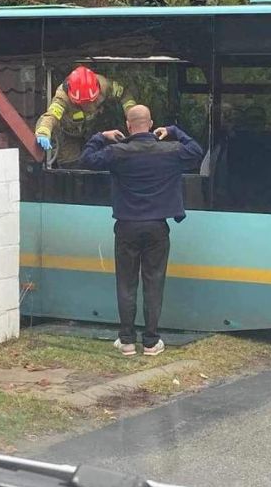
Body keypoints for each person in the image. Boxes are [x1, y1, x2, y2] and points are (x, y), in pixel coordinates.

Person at [78, 105, 204, 356]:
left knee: (126, 283)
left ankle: (126, 340)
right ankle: (150, 341)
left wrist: (101, 136)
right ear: (151, 123)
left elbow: (87, 159)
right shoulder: (170, 151)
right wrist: (173, 131)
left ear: (127, 125)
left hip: (126, 226)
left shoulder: (117, 152)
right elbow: (197, 151)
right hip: (157, 227)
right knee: (153, 283)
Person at [35, 66, 137, 166]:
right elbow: (51, 116)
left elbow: (124, 94)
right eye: (83, 103)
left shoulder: (105, 85)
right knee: (71, 166)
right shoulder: (62, 98)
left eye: (91, 101)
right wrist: (43, 132)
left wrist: (132, 115)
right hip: (68, 135)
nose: (88, 106)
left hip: (96, 129)